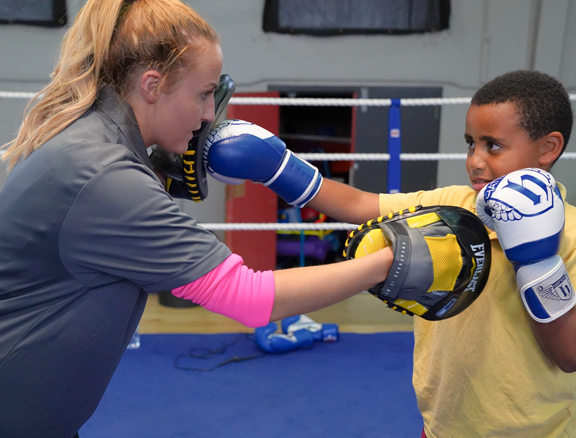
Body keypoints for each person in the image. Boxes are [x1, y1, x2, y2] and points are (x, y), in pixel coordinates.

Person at [0, 1, 397, 437]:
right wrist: (388, 261)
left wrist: (163, 170)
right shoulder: (104, 175)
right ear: (153, 85)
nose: (210, 114)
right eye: (204, 93)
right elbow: (249, 298)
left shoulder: (90, 140)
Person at [208, 70, 576, 438]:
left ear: (548, 147)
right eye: (471, 143)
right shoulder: (452, 206)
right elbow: (361, 205)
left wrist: (538, 261)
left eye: (493, 145)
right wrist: (278, 168)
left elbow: (572, 354)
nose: (475, 160)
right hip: (443, 426)